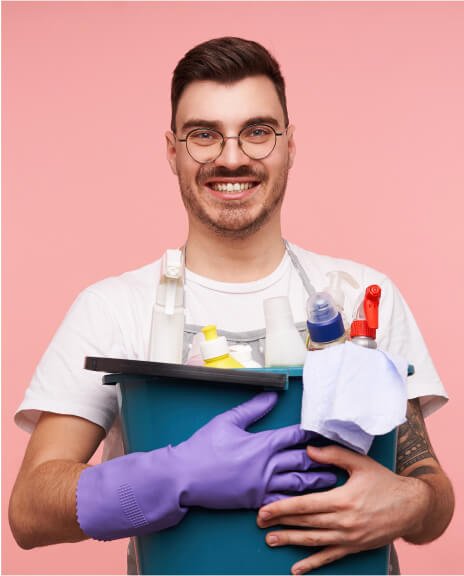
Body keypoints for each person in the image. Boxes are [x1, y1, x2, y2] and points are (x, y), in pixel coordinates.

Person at [9, 37, 454, 575]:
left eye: (258, 132)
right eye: (204, 135)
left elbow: (431, 494)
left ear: (290, 145)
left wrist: (412, 502)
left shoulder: (361, 293)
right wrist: (176, 476)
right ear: (172, 151)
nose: (232, 157)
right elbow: (30, 512)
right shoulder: (111, 309)